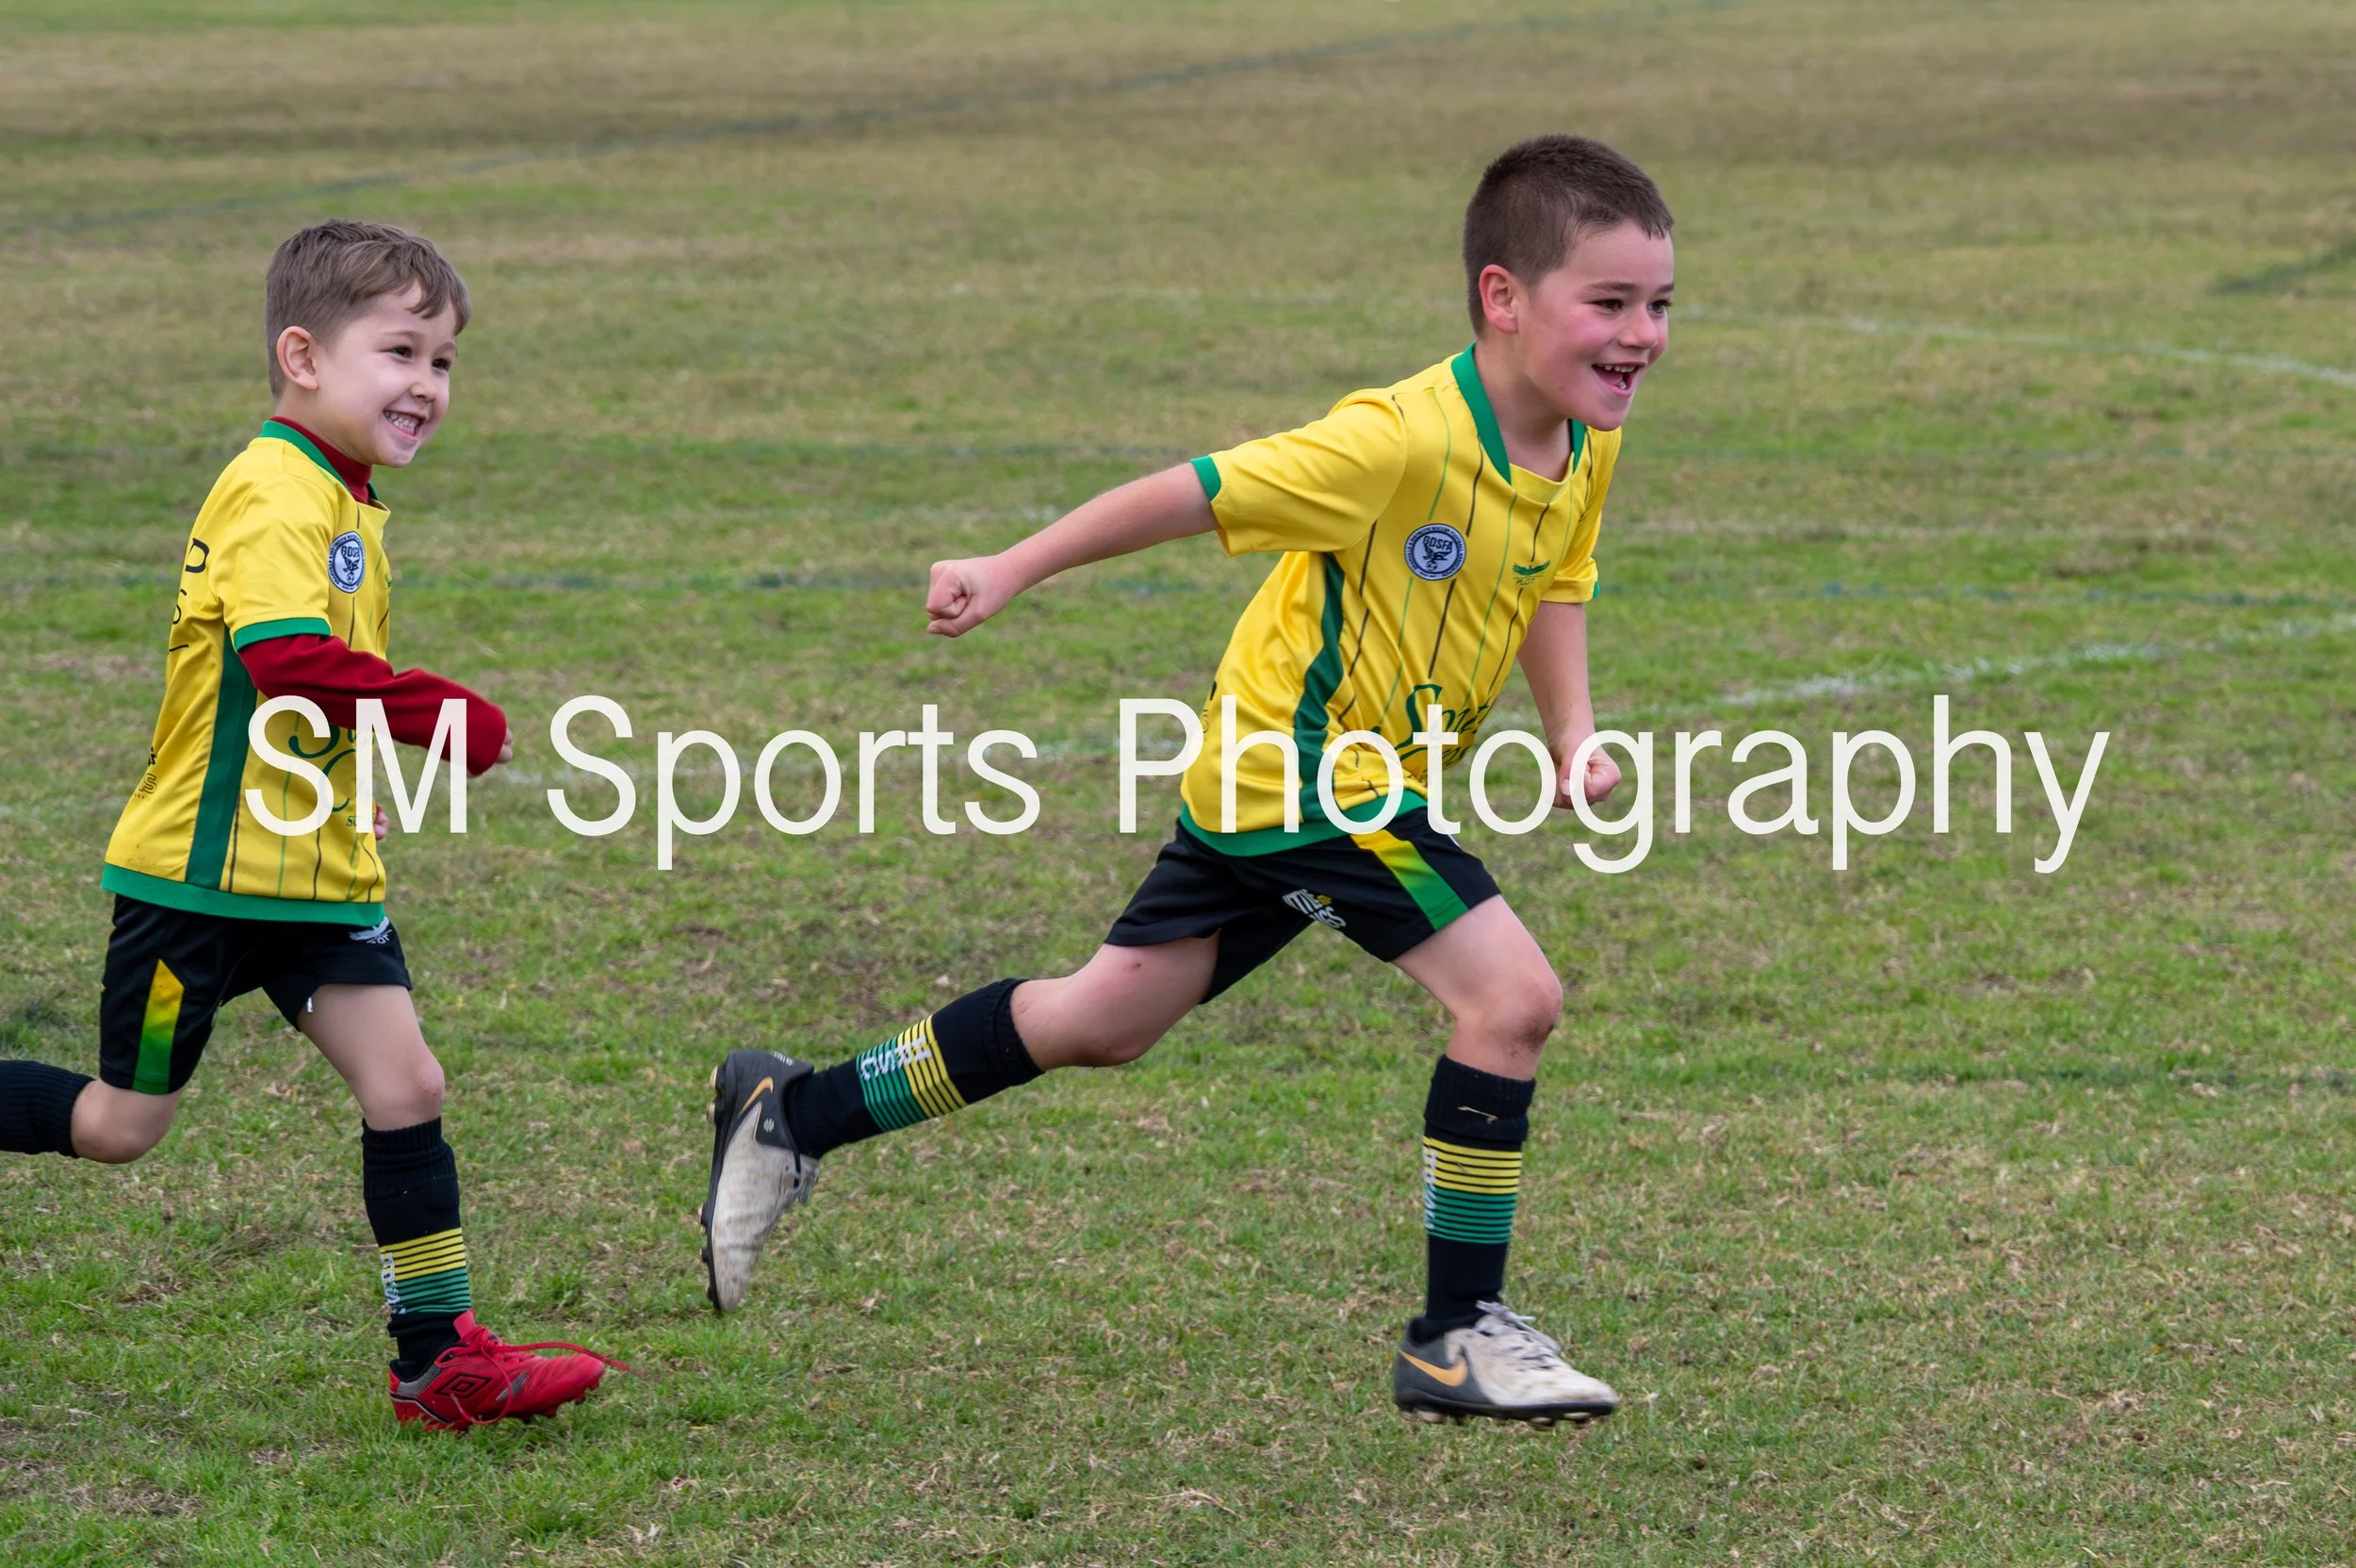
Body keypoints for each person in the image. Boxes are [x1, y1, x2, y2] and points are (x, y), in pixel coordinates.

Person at [702, 135, 1675, 1429]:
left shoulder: (1579, 437)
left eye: (1658, 304)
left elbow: (1555, 577)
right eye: (1609, 302)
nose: (1641, 335)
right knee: (1513, 1000)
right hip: (1306, 776)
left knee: (1105, 1018)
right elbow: (1191, 493)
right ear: (1503, 297)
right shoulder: (1395, 442)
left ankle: (796, 1109)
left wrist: (1571, 730)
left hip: (1307, 780)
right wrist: (1010, 566)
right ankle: (1457, 1336)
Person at [0, 220, 618, 1430]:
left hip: (318, 874)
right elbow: (285, 661)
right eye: (400, 352)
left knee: (407, 1081)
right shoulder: (275, 489)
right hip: (201, 885)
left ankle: (436, 1363)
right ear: (302, 356)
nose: (427, 384)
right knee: (123, 1126)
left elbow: (301, 698)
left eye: (443, 361)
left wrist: (340, 780)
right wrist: (437, 713)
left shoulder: (341, 494)